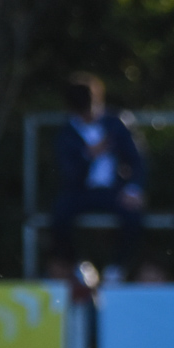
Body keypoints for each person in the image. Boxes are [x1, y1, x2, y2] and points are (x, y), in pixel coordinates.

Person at [51, 73, 145, 282]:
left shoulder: (117, 123)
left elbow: (138, 160)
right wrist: (89, 155)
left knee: (133, 216)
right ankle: (78, 265)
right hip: (81, 191)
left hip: (114, 190)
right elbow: (67, 172)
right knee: (59, 215)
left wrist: (133, 189)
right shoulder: (67, 132)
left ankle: (117, 268)